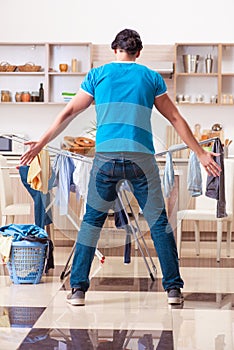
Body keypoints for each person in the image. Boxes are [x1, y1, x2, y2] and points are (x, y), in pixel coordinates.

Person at [20, 28, 221, 305]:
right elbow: (175, 117)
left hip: (106, 160)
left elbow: (68, 112)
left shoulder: (97, 75)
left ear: (115, 49)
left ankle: (78, 290)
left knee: (91, 222)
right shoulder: (150, 77)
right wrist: (200, 153)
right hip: (141, 159)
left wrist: (41, 143)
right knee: (159, 223)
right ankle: (173, 289)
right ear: (138, 53)